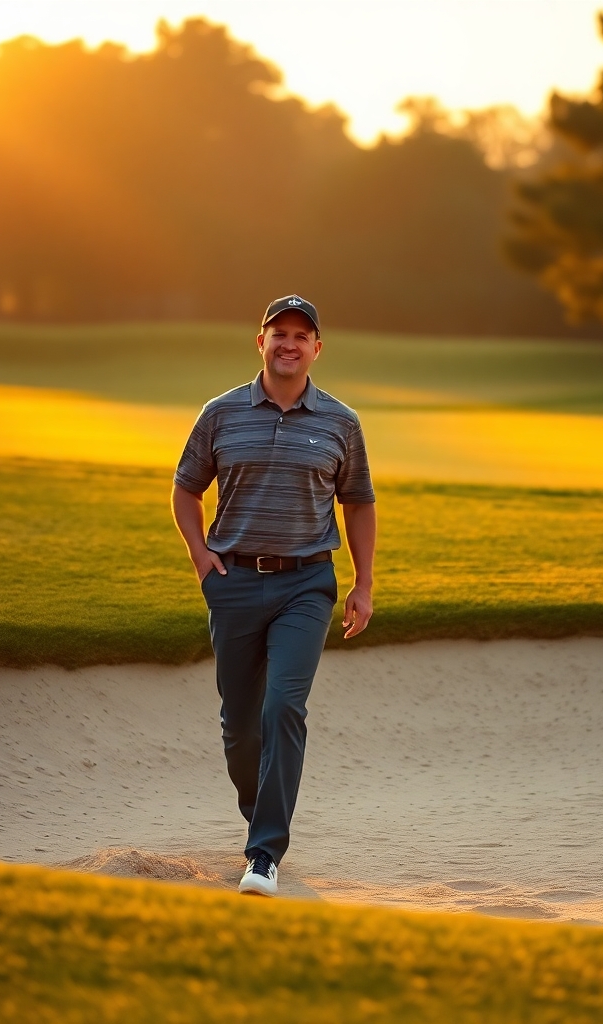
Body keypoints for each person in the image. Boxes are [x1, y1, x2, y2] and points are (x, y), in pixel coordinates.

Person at [171, 294, 376, 896]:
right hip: (233, 583)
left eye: (301, 335)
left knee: (283, 706)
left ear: (317, 347)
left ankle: (264, 855)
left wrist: (363, 585)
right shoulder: (221, 413)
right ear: (259, 341)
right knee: (241, 728)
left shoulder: (341, 422)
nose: (289, 343)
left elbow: (358, 502)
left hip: (305, 583)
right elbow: (185, 490)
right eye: (277, 333)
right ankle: (264, 815)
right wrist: (200, 556)